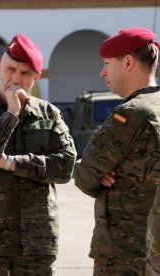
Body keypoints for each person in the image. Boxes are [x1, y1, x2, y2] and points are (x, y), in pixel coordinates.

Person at [0, 34, 77, 275]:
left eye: (25, 73)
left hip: (36, 242)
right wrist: (11, 113)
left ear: (36, 77)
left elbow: (65, 166)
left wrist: (14, 163)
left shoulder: (49, 114)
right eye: (10, 69)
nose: (15, 78)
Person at [74, 27, 160, 276]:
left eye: (107, 64)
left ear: (129, 62)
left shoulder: (130, 114)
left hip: (125, 253)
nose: (102, 72)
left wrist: (99, 174)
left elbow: (84, 177)